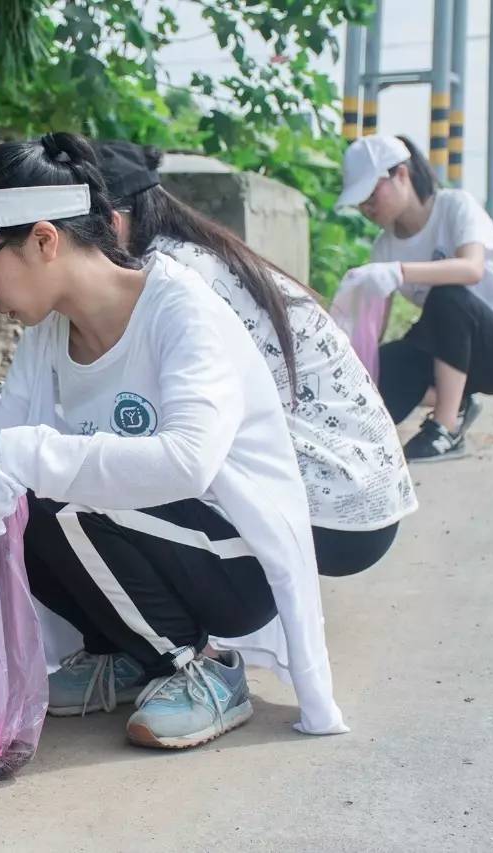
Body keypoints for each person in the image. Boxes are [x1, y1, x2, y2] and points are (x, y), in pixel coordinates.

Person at [0, 132, 347, 748]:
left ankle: (200, 668)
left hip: (233, 562)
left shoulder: (180, 312)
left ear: (43, 240)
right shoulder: (47, 333)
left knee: (55, 497)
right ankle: (124, 654)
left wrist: (30, 456)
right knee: (21, 500)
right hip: (152, 541)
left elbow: (188, 462)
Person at [93, 141, 416, 579]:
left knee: (105, 488)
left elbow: (172, 439)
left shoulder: (167, 277)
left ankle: (195, 637)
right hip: (365, 495)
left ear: (112, 222)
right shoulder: (190, 253)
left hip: (334, 514)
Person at [336, 134, 493, 462]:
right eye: (360, 201)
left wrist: (400, 271)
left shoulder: (455, 206)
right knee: (382, 368)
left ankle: (445, 428)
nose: (366, 208)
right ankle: (455, 400)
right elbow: (376, 332)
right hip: (448, 354)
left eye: (371, 194)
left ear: (401, 174)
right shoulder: (383, 248)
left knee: (448, 297)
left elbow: (472, 270)